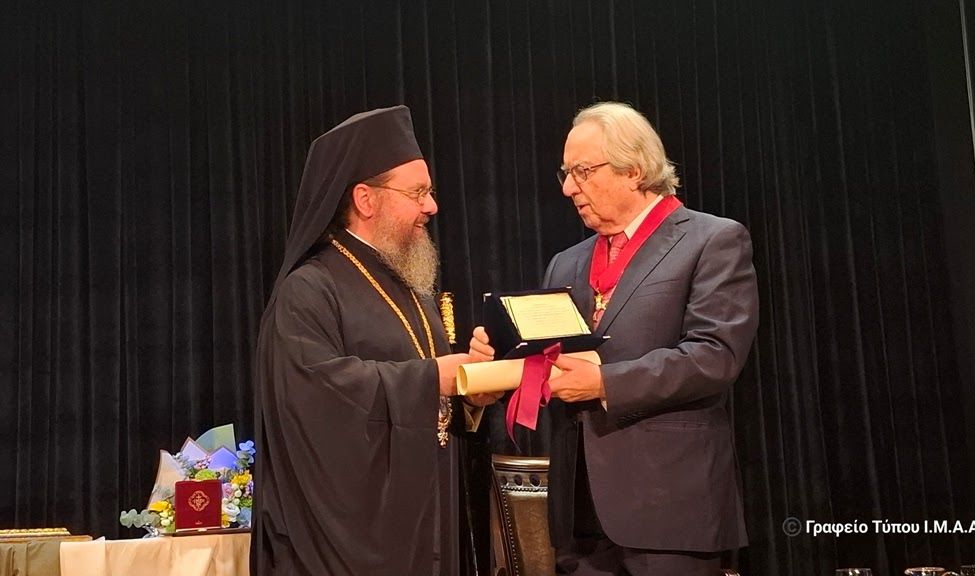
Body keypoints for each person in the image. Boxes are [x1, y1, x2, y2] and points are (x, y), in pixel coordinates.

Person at [470, 101, 759, 575]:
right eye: (566, 173)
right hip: (578, 512)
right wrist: (497, 359)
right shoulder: (566, 263)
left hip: (670, 509)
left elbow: (715, 356)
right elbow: (546, 362)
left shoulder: (712, 240)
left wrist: (605, 384)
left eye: (582, 171)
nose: (568, 188)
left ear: (634, 170)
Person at [252, 105, 499, 575]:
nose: (432, 206)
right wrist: (432, 379)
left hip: (427, 518)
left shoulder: (410, 284)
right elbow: (313, 397)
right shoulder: (310, 289)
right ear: (365, 199)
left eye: (430, 191)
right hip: (352, 541)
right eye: (417, 192)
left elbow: (436, 398)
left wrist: (470, 395)